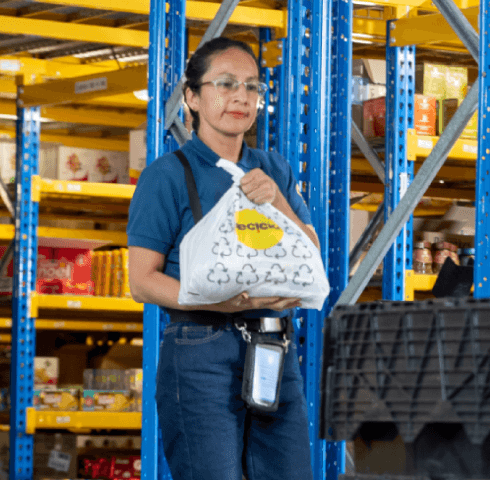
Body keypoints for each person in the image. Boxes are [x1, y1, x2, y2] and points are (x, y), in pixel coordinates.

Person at [126, 37, 317, 480]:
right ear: (192, 96)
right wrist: (219, 304)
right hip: (200, 349)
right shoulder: (168, 176)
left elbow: (310, 258)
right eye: (226, 83)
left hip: (272, 350)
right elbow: (142, 281)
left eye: (252, 87)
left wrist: (278, 203)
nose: (241, 97)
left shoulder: (275, 168)